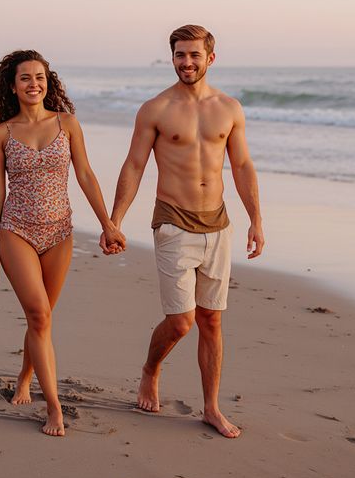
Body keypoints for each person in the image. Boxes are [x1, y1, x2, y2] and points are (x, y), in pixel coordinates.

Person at [105, 25, 264, 438]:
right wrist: (114, 220)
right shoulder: (156, 109)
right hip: (173, 221)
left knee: (211, 319)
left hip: (219, 223)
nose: (186, 62)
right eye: (179, 55)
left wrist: (256, 221)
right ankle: (150, 369)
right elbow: (134, 165)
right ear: (172, 58)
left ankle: (211, 407)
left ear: (211, 58)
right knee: (181, 322)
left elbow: (243, 166)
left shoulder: (229, 108)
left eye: (194, 55)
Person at [0, 50, 126, 436]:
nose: (34, 84)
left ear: (49, 81)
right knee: (39, 316)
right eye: (26, 78)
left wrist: (108, 224)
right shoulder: (1, 133)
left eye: (40, 77)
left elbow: (85, 175)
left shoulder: (67, 124)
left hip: (60, 232)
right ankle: (54, 409)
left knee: (42, 316)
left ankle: (25, 376)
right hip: (17, 231)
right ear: (12, 86)